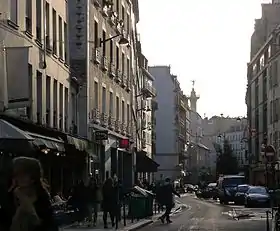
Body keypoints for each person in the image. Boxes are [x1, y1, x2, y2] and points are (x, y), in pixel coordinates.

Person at [0, 156, 58, 231]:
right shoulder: (10, 196)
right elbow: (4, 222)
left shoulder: (42, 198)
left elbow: (48, 224)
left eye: (24, 174)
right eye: (17, 174)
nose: (19, 177)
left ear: (33, 177)